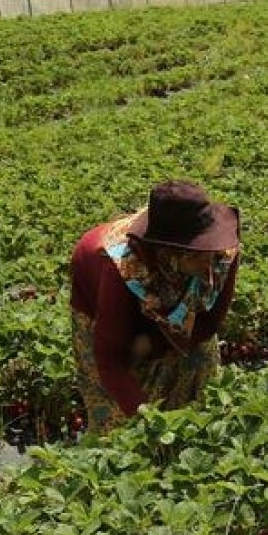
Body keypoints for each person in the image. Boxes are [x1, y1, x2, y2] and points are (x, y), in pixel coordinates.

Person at [69, 180, 241, 433]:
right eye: (198, 254)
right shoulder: (121, 271)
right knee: (120, 421)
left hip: (169, 310)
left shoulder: (221, 255)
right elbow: (109, 361)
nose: (209, 266)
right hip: (100, 304)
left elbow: (210, 322)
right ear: (173, 255)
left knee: (198, 369)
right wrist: (150, 422)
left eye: (211, 249)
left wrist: (155, 342)